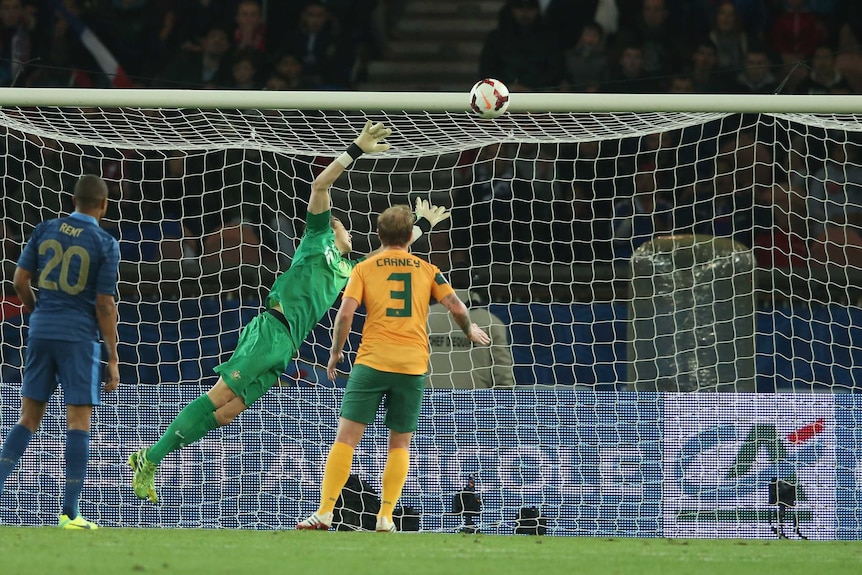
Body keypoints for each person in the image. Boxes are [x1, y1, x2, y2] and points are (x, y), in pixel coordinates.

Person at [128, 121, 449, 504]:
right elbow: (320, 186)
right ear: (332, 233)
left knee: (229, 412)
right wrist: (356, 149)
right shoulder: (316, 241)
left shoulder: (353, 269)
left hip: (288, 345)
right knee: (220, 395)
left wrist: (423, 224)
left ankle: (151, 458)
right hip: (271, 330)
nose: (349, 231)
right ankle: (150, 458)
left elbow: (390, 253)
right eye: (343, 226)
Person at [297, 205, 491, 532]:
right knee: (400, 443)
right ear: (409, 237)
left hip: (372, 362)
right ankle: (386, 516)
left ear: (378, 234)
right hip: (412, 365)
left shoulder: (365, 268)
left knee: (346, 438)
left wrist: (335, 352)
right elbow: (457, 306)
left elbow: (345, 314)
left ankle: (325, 512)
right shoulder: (428, 269)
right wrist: (468, 330)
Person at [0, 174, 120, 529]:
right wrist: (112, 356)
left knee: (28, 419)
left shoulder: (45, 229)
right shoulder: (104, 242)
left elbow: (20, 281)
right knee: (78, 422)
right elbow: (104, 304)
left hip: (40, 331)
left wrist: (38, 313)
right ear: (103, 204)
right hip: (78, 337)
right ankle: (69, 513)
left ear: (73, 200)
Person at [426, 289, 515, 389]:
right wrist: (506, 400)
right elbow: (502, 371)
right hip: (477, 400)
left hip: (428, 399)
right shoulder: (491, 322)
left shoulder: (424, 317)